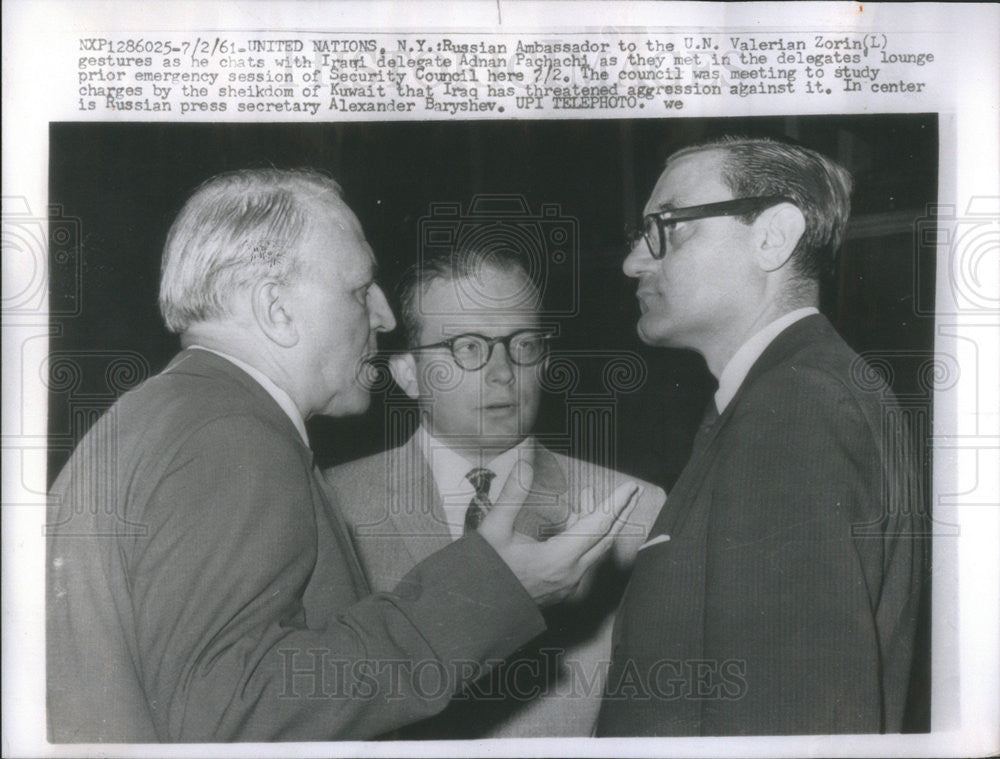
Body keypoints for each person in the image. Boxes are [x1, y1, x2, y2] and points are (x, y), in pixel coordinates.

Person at [45, 169, 641, 742]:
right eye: (359, 291)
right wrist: (494, 590)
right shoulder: (230, 434)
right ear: (277, 310)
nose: (382, 316)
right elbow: (232, 715)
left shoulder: (158, 417)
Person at [596, 137, 927, 736]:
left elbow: (788, 722)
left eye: (665, 226)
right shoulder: (789, 394)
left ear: (772, 236)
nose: (634, 262)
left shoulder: (794, 405)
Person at [324, 247, 665, 738]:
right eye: (467, 347)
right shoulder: (332, 506)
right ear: (407, 374)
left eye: (523, 343)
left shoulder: (633, 512)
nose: (503, 371)